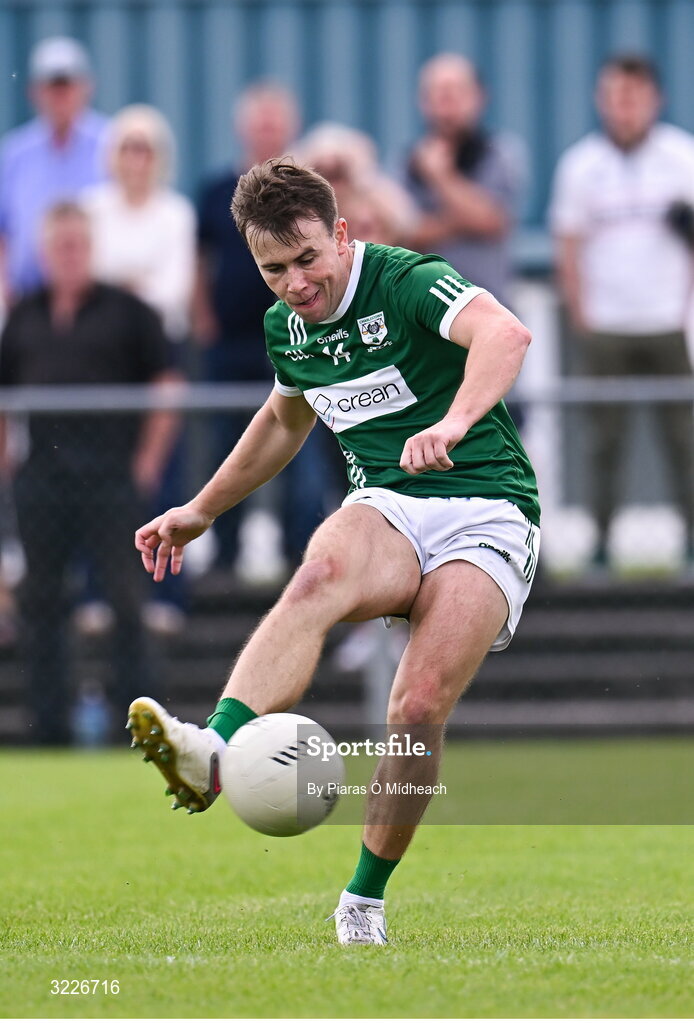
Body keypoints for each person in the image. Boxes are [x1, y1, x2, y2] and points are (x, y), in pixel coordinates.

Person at [128, 159, 540, 946]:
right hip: (387, 503)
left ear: (342, 236)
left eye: (307, 258)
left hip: (488, 507)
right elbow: (284, 420)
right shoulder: (286, 324)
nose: (294, 282)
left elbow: (506, 331)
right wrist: (200, 509)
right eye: (272, 268)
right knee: (316, 571)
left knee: (415, 710)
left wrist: (452, 423)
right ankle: (210, 751)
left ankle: (363, 903)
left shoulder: (406, 280)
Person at [0, 202, 177, 745]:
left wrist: (147, 461)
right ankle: (48, 726)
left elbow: (167, 384)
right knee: (44, 599)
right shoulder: (26, 315)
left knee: (126, 598)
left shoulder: (127, 310)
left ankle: (141, 725)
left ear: (91, 248)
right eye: (60, 245)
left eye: (77, 244)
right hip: (43, 479)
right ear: (45, 252)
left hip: (110, 477)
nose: (69, 254)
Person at [549, 54, 694, 563]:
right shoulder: (581, 166)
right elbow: (568, 245)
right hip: (607, 326)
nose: (625, 108)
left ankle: (691, 541)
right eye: (615, 97)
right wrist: (581, 315)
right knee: (603, 441)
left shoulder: (682, 158)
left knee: (685, 440)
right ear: (601, 102)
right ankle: (602, 544)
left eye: (634, 96)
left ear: (655, 100)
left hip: (669, 324)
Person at [195, 82, 328, 571]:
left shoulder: (310, 195)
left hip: (299, 340)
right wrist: (203, 319)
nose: (267, 132)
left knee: (300, 452)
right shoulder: (214, 192)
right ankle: (225, 559)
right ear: (243, 129)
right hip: (232, 343)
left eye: (275, 123)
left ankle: (300, 560)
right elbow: (200, 260)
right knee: (229, 446)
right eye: (260, 123)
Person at [83, 104, 194, 632]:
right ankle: (98, 592)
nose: (135, 158)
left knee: (160, 474)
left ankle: (165, 596)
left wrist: (123, 286)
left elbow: (171, 293)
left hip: (157, 361)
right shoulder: (93, 208)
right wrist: (134, 284)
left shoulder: (175, 213)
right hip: (102, 361)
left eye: (145, 147)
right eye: (127, 146)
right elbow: (92, 282)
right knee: (97, 472)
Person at [403, 53, 526, 310]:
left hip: (491, 308)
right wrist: (464, 219)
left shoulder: (501, 153)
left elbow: (491, 221)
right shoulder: (406, 162)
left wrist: (440, 176)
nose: (447, 103)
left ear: (480, 97)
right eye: (438, 93)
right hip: (426, 313)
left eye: (456, 92)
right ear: (423, 101)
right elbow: (404, 232)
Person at [0, 36, 108, 302]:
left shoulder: (111, 144)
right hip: (27, 298)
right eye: (52, 87)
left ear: (86, 87)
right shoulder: (14, 153)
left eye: (67, 85)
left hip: (96, 300)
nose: (61, 96)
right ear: (33, 91)